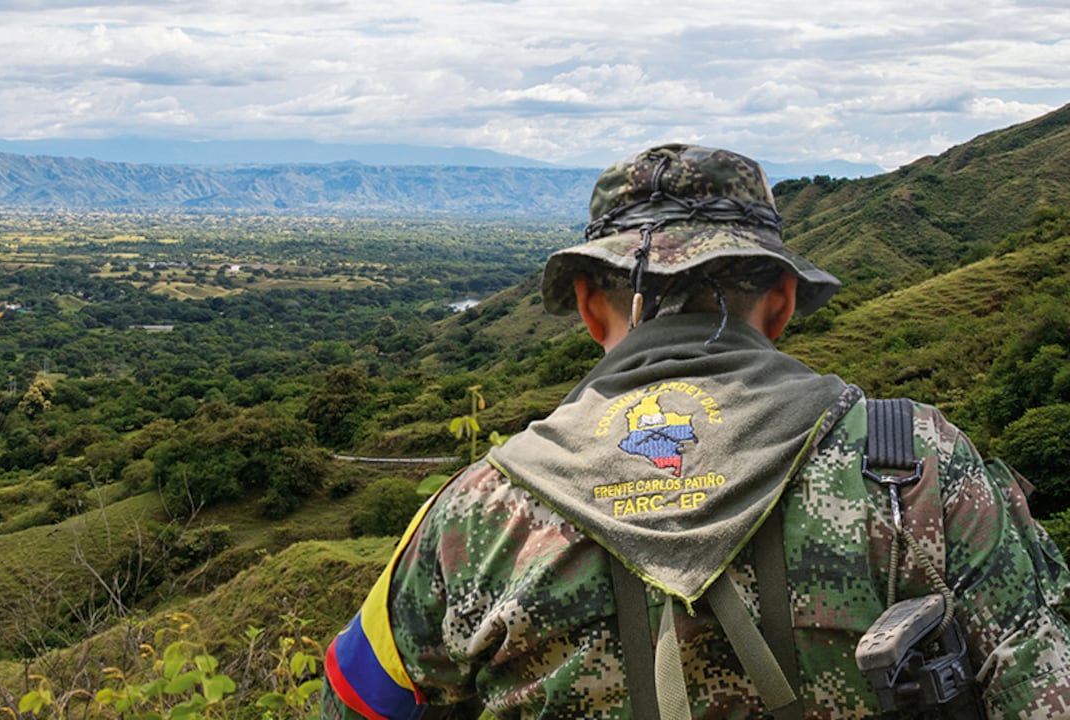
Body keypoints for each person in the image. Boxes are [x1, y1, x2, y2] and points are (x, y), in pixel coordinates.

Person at [319, 144, 1070, 719]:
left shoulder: (479, 506)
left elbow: (355, 699)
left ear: (587, 307)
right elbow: (1043, 687)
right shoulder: (916, 463)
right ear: (782, 301)